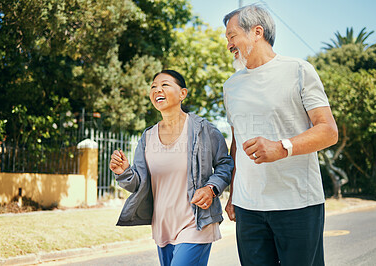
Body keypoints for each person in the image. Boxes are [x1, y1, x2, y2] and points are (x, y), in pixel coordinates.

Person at [222, 4, 338, 266]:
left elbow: (328, 131)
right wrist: (232, 195)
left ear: (257, 32)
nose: (228, 44)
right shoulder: (231, 86)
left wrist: (282, 147)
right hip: (248, 208)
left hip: (298, 203)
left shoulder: (299, 70)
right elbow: (236, 144)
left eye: (232, 36)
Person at [109, 70, 234, 266]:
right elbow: (139, 184)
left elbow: (225, 163)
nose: (157, 89)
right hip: (163, 226)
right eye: (153, 86)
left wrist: (211, 188)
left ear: (182, 93)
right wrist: (123, 171)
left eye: (165, 85)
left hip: (196, 223)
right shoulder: (148, 136)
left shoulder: (203, 130)